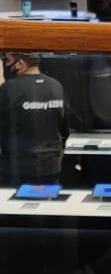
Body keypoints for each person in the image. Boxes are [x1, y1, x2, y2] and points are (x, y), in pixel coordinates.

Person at [0, 52, 69, 185]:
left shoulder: (9, 89)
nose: (5, 64)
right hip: (51, 167)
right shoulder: (56, 86)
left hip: (17, 169)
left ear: (20, 63)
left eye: (7, 60)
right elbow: (64, 128)